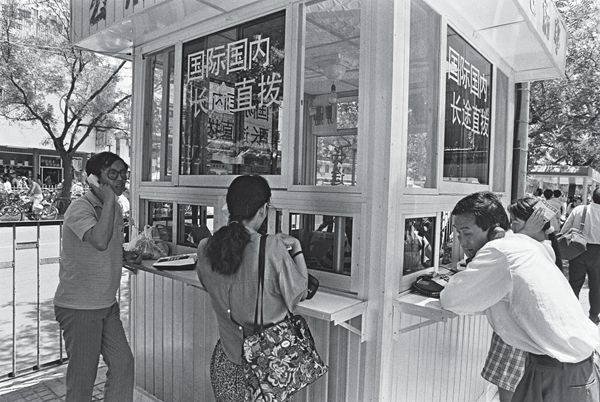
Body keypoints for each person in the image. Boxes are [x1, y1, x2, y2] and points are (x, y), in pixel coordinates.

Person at [440, 191, 600, 402]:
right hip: (565, 365)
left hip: (560, 372)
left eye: (467, 232)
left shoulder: (501, 249)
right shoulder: (530, 245)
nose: (460, 240)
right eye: (457, 233)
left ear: (496, 231)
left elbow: (452, 299)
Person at [197, 175, 309, 401]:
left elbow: (207, 283)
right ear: (263, 209)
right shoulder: (272, 248)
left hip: (226, 362)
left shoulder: (206, 247)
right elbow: (300, 292)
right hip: (264, 367)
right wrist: (296, 247)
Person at [53, 151, 137, 402]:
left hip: (106, 305)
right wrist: (110, 200)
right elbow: (99, 240)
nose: (121, 180)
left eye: (124, 174)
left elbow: (107, 247)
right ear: (94, 178)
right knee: (82, 381)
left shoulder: (115, 208)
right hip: (79, 307)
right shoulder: (80, 208)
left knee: (123, 365)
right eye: (113, 174)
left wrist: (122, 256)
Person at [479, 197, 563, 402]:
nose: (511, 227)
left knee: (509, 390)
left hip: (517, 332)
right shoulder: (541, 245)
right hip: (520, 331)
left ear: (535, 223)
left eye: (515, 221)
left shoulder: (535, 250)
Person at [560, 187, 600, 324]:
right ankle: (594, 316)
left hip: (578, 250)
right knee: (597, 286)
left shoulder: (580, 210)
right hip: (598, 254)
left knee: (575, 284)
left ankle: (572, 315)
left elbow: (565, 230)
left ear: (592, 196)